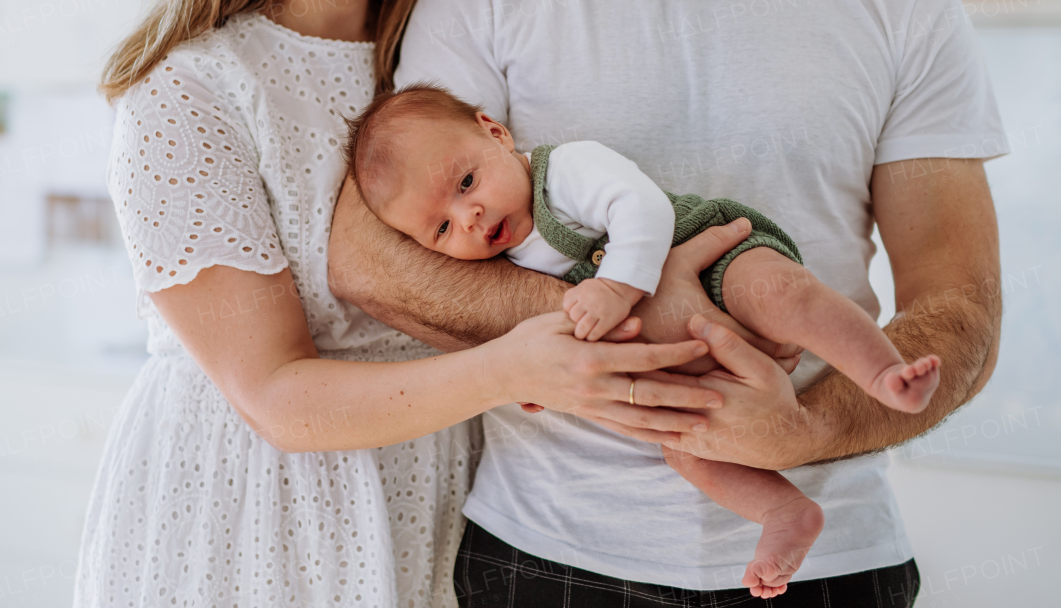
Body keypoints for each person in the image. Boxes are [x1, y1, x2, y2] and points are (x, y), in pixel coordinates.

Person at [327, 0, 1006, 604]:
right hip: (548, 554)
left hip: (833, 561)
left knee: (779, 292)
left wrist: (804, 431)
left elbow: (960, 306)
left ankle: (786, 500)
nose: (464, 217)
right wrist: (601, 337)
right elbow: (375, 262)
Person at [72, 0, 725, 605]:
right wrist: (510, 369)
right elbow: (273, 398)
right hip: (261, 511)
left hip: (446, 494)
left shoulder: (446, 46)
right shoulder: (187, 92)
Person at [342, 83, 949, 595]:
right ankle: (783, 511)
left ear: (495, 133)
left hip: (715, 257)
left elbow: (643, 208)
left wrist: (617, 289)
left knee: (785, 295)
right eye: (442, 227)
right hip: (681, 360)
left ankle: (881, 373)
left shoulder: (563, 174)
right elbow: (514, 336)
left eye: (468, 181)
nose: (470, 217)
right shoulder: (494, 256)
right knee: (686, 444)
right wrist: (529, 379)